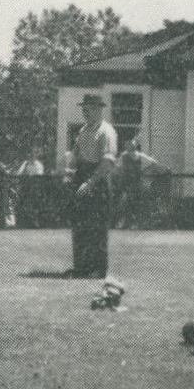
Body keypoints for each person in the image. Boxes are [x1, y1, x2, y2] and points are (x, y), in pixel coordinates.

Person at [68, 95, 118, 278]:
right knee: (80, 225)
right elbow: (76, 155)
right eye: (83, 109)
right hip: (81, 176)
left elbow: (108, 161)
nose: (84, 112)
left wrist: (91, 182)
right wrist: (70, 170)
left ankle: (98, 269)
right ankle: (81, 267)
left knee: (97, 227)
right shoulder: (83, 130)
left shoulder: (106, 131)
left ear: (98, 109)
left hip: (98, 180)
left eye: (88, 109)